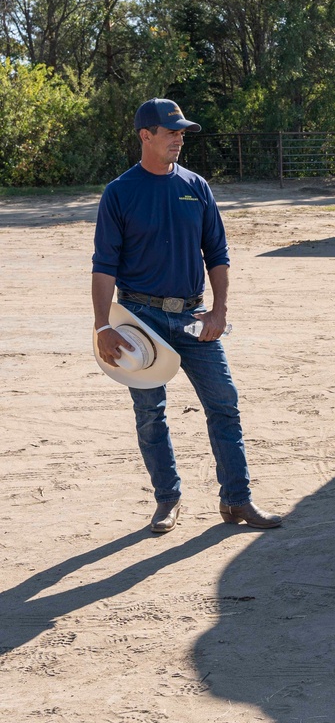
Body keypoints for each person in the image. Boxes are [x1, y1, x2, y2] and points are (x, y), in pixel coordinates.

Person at [92, 98, 284, 533]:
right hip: (139, 320)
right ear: (146, 135)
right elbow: (104, 264)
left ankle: (237, 500)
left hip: (194, 317)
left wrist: (219, 310)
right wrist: (103, 325)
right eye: (171, 131)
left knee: (224, 404)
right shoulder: (120, 192)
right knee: (150, 413)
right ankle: (168, 500)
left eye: (182, 132)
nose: (179, 138)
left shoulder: (196, 186)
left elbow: (217, 252)